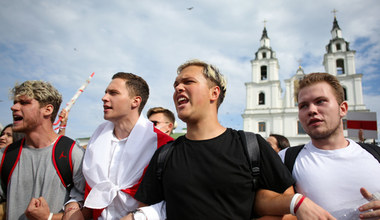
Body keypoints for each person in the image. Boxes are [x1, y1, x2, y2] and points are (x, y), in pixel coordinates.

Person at [126, 59, 333, 220]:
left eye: (188, 82)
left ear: (214, 93)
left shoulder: (251, 146)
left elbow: (288, 211)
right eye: (176, 85)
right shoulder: (165, 154)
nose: (178, 88)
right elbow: (146, 213)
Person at [278, 72, 380, 219]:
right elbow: (263, 206)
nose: (311, 110)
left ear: (343, 109)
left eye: (320, 101)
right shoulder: (286, 158)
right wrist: (296, 205)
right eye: (303, 106)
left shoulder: (375, 155)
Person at [72, 72, 173, 220]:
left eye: (113, 93)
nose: (104, 97)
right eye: (106, 92)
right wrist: (72, 204)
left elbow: (173, 201)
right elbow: (82, 188)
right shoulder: (95, 140)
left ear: (135, 101)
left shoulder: (163, 145)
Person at [0, 80, 85, 220]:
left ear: (47, 109)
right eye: (15, 102)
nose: (14, 107)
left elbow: (89, 209)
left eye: (24, 103)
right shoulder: (5, 156)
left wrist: (49, 217)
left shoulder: (73, 154)